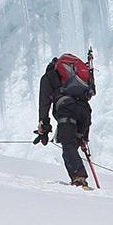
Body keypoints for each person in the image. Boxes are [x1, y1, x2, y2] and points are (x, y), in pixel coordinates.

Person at [36, 52, 96, 188]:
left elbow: (44, 103)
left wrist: (43, 125)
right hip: (85, 112)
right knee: (73, 146)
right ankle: (78, 177)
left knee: (68, 145)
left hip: (67, 111)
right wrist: (84, 136)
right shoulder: (75, 78)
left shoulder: (48, 77)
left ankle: (79, 178)